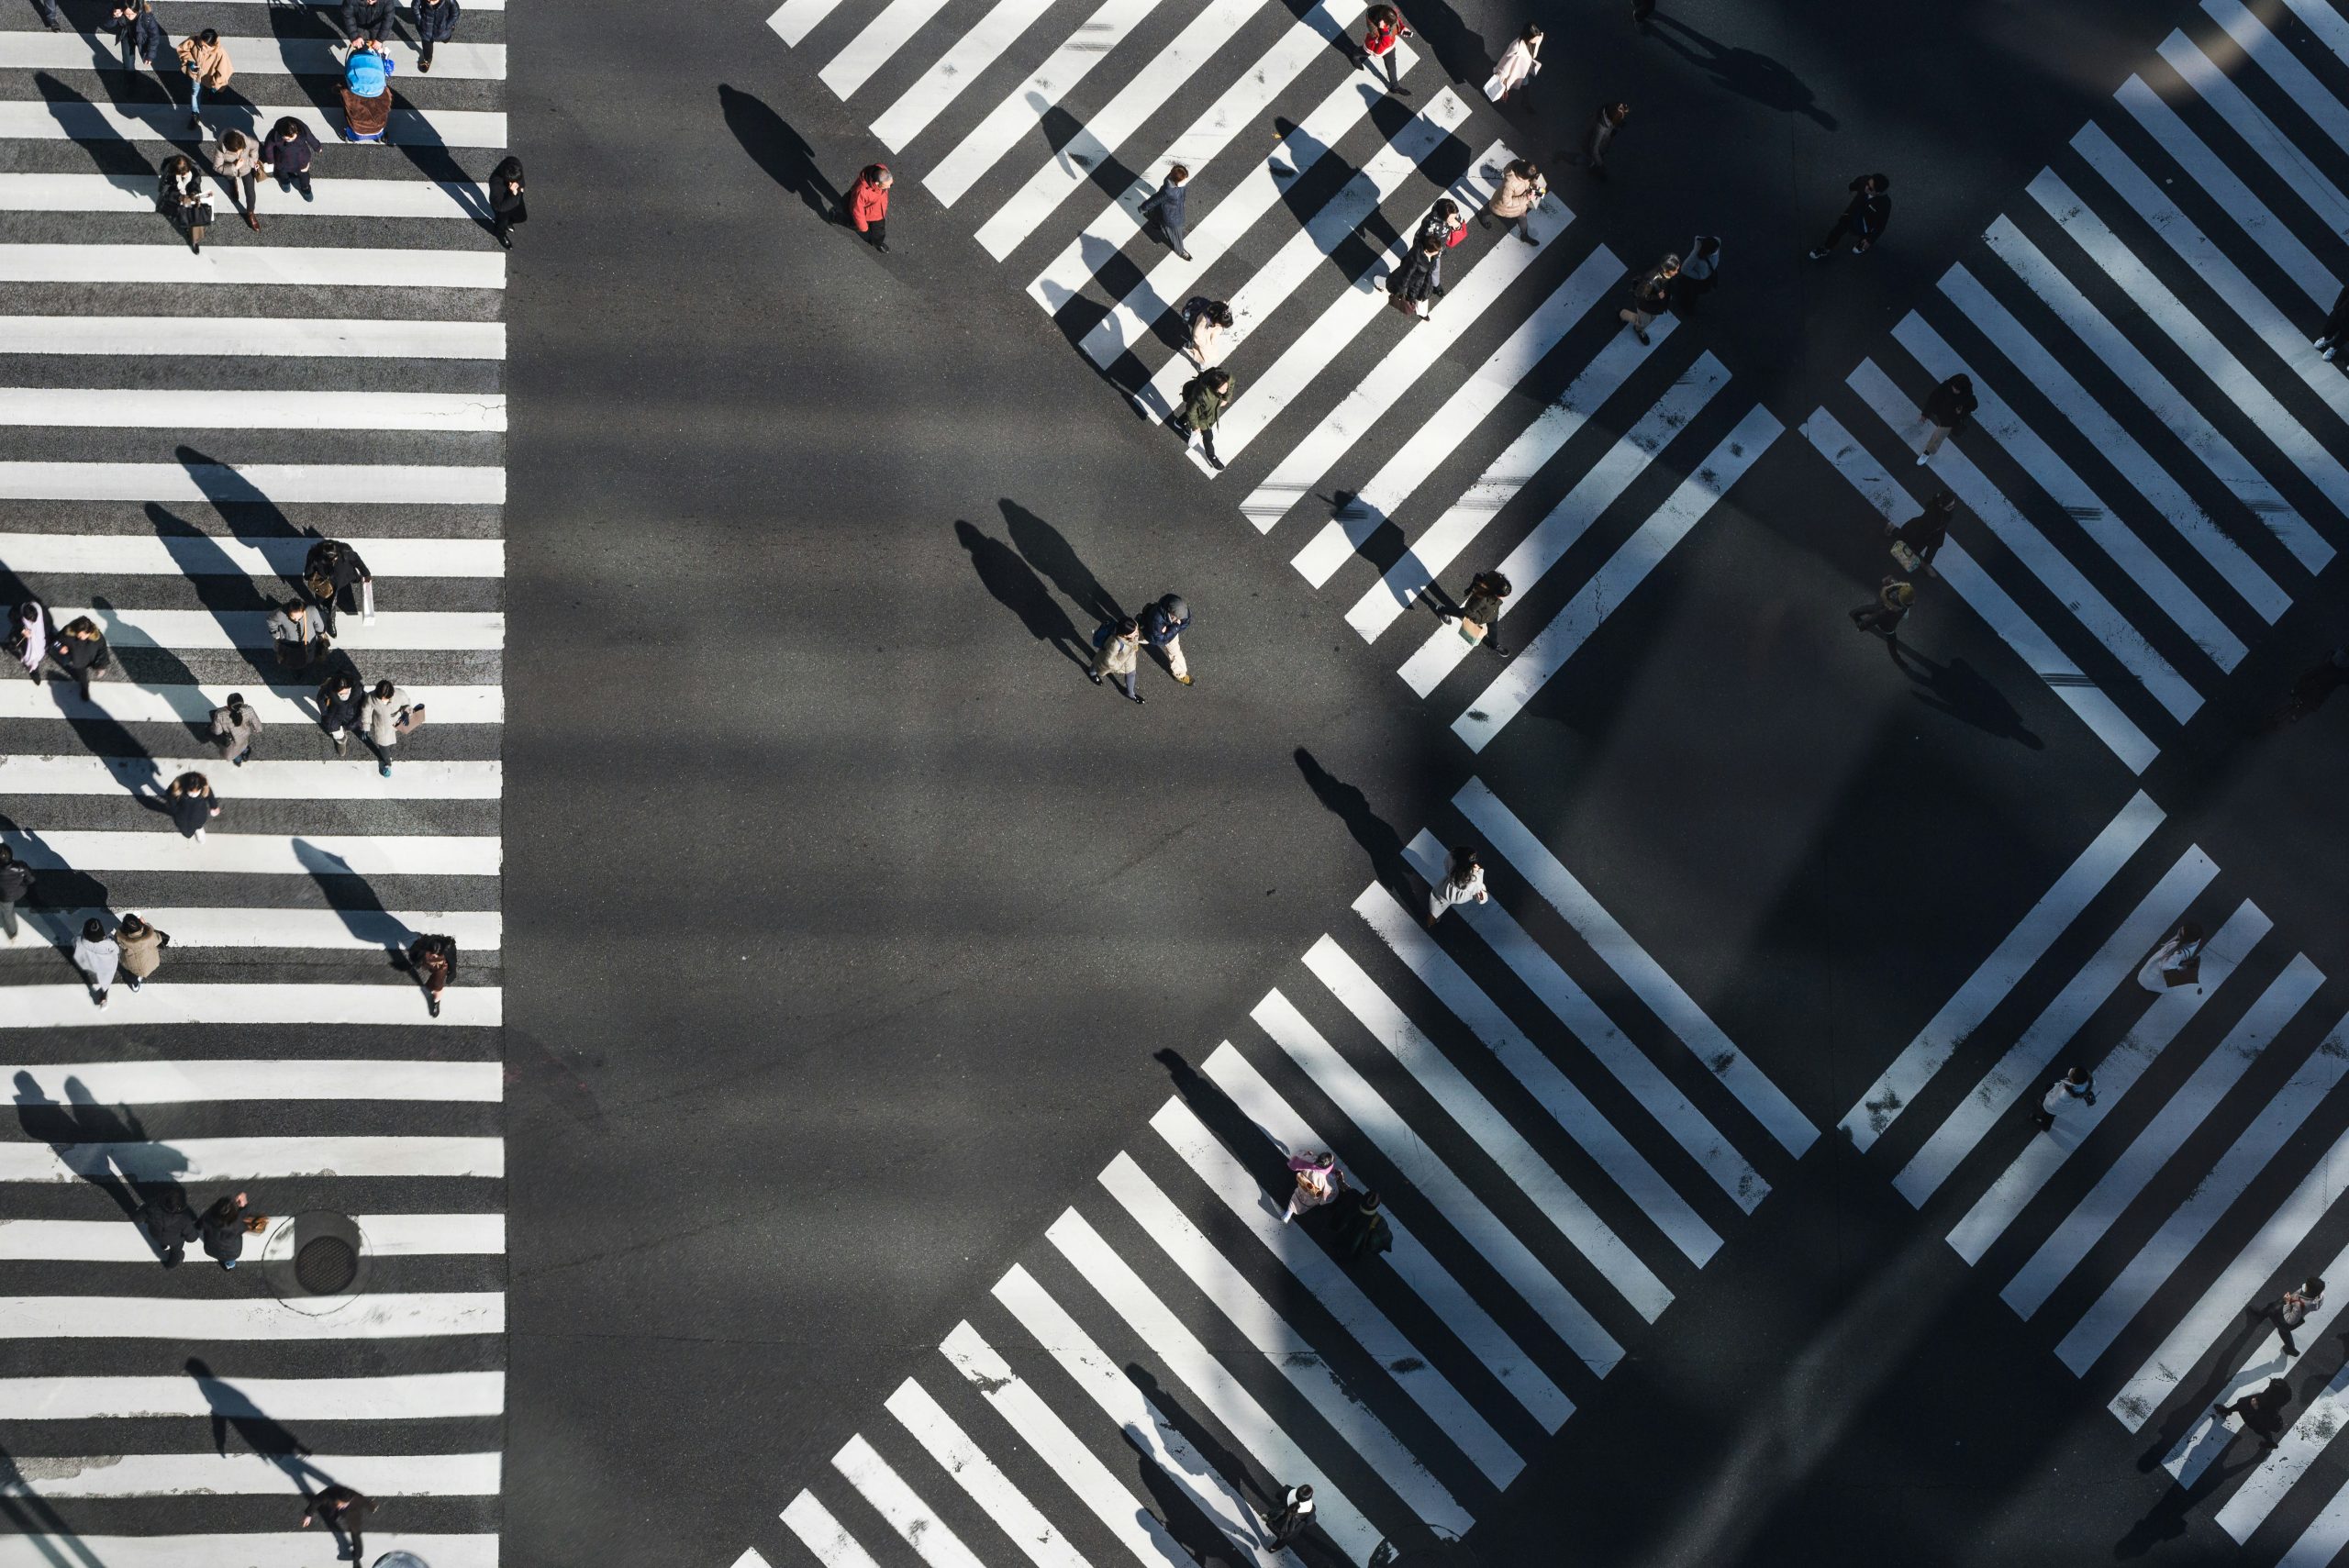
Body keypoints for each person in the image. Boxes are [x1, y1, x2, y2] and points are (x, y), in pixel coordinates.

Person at [1809, 172, 1891, 259]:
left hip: (1865, 225)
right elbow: (1858, 182)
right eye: (1867, 184)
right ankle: (1826, 248)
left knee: (1864, 237)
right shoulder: (1865, 180)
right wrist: (1852, 187)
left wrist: (1870, 240)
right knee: (1836, 231)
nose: (1866, 187)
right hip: (1851, 215)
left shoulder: (1885, 204)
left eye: (1870, 188)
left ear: (1877, 192)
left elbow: (1881, 225)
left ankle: (1863, 243)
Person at [303, 538, 373, 636]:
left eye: (335, 558)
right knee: (329, 604)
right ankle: (330, 620)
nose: (334, 560)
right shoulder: (314, 556)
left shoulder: (345, 552)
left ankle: (329, 615)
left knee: (329, 597)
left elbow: (358, 562)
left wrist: (366, 574)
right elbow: (308, 572)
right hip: (327, 584)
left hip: (345, 576)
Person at [1886, 490, 1955, 578]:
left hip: (1937, 533)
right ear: (1941, 505)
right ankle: (1892, 529)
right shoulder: (1931, 515)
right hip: (1921, 532)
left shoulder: (1945, 510)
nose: (1953, 508)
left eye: (1953, 505)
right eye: (1950, 507)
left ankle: (1926, 563)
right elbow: (1924, 529)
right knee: (1907, 541)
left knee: (1933, 548)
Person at [361, 678, 419, 778]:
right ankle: (387, 763)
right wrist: (366, 726)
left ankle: (386, 759)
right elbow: (366, 710)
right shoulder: (371, 697)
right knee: (383, 745)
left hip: (396, 721)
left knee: (389, 741)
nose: (383, 700)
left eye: (386, 698)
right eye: (381, 698)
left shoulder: (400, 694)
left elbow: (406, 705)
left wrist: (406, 712)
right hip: (381, 725)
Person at [1175, 369, 1234, 470]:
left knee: (1199, 411)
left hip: (1205, 410)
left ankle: (1180, 422)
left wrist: (1226, 398)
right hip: (1204, 418)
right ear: (1215, 387)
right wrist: (1195, 427)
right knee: (1208, 436)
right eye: (1223, 389)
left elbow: (1231, 381)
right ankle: (1211, 456)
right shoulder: (1201, 395)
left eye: (1226, 387)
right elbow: (1191, 410)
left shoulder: (1224, 378)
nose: (1226, 390)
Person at [175, 28, 233, 131]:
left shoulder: (220, 53)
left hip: (210, 77)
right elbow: (183, 50)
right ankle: (195, 114)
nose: (202, 48)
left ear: (213, 45)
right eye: (201, 45)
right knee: (195, 93)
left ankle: (211, 92)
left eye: (206, 47)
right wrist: (190, 61)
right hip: (196, 75)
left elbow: (224, 71)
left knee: (211, 88)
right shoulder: (194, 40)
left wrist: (216, 84)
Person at [2255, 1276, 2327, 1358]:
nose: (2305, 1285)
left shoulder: (2301, 1303)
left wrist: (2287, 1302)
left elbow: (2291, 1320)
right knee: (2271, 1308)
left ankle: (2291, 1349)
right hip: (2296, 1310)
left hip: (2289, 1310)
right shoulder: (2319, 1295)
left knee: (2282, 1329)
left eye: (2307, 1285)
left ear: (2310, 1290)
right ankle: (2291, 1349)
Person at [302, 1485, 379, 1560]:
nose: (341, 1506)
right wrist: (308, 1515)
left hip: (349, 1508)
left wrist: (371, 1506)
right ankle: (334, 1514)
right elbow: (316, 1501)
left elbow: (361, 1498)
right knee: (331, 1514)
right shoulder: (327, 1495)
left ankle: (357, 1554)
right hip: (332, 1504)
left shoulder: (352, 1495)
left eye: (344, 1504)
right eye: (340, 1504)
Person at [340, 40, 395, 143]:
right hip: (378, 128)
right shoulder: (383, 95)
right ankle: (379, 137)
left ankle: (351, 137)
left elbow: (343, 94)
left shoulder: (350, 97)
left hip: (358, 130)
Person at [1446, 568, 1512, 654]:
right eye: (1502, 596)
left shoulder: (1494, 578)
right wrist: (1477, 619)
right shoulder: (1483, 599)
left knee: (1493, 629)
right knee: (1462, 613)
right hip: (1482, 614)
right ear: (1495, 593)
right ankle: (1442, 610)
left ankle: (1495, 645)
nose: (1503, 598)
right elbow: (1469, 611)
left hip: (1492, 612)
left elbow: (1480, 576)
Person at [2215, 1378, 2292, 1450]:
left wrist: (2255, 1406)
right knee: (2242, 1404)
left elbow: (2264, 1413)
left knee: (2258, 1427)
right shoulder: (2286, 1393)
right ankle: (2270, 1442)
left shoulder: (2270, 1401)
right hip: (2262, 1404)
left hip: (2260, 1409)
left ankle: (2270, 1442)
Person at [1481, 159, 1545, 244]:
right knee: (1492, 208)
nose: (1530, 179)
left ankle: (1525, 236)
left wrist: (1534, 183)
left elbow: (1530, 179)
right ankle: (1482, 215)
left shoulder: (1521, 166)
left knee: (1522, 217)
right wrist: (1526, 198)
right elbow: (1507, 202)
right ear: (1522, 175)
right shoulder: (1509, 184)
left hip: (1519, 205)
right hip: (1502, 205)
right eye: (1529, 178)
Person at [46, 616, 109, 703]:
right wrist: (60, 647)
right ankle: (85, 688)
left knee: (81, 675)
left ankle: (84, 686)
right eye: (79, 634)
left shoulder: (98, 637)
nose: (80, 637)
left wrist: (100, 665)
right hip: (79, 662)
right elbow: (56, 641)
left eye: (83, 635)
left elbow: (103, 651)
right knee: (82, 678)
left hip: (91, 659)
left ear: (90, 632)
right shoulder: (68, 632)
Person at [1917, 373, 1977, 463]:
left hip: (1950, 420)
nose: (1954, 390)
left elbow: (1974, 406)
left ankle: (1927, 452)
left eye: (1957, 390)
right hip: (1940, 411)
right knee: (1938, 435)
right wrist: (1925, 414)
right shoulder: (1946, 386)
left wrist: (1961, 412)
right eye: (1954, 387)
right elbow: (1933, 398)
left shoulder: (1968, 397)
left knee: (1937, 437)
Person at [1620, 254, 1678, 346]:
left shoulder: (1667, 275)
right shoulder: (1652, 280)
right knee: (1642, 322)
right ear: (1666, 270)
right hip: (1645, 306)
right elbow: (1643, 296)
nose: (1677, 272)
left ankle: (1639, 327)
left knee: (1651, 319)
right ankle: (1624, 315)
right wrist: (1658, 297)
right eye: (1674, 270)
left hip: (1656, 306)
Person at [1137, 165, 1192, 261]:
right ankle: (1180, 251)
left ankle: (1153, 219)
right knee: (1176, 235)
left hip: (1167, 210)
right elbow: (1154, 200)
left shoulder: (1173, 180)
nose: (1186, 181)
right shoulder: (1168, 191)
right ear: (1176, 181)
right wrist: (1143, 208)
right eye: (1184, 179)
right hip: (1171, 217)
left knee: (1157, 214)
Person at [156, 154, 209, 254]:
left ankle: (194, 240)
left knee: (195, 214)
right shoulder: (169, 173)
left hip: (189, 195)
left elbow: (196, 184)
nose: (185, 174)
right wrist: (179, 197)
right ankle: (186, 226)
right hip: (176, 196)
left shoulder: (194, 170)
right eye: (182, 173)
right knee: (180, 213)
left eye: (186, 172)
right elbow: (165, 191)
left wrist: (193, 194)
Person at [134, 1189, 200, 1267]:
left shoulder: (152, 1206)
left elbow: (137, 1218)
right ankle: (170, 1265)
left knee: (162, 1237)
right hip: (174, 1240)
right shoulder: (184, 1219)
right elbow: (192, 1238)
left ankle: (163, 1245)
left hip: (155, 1233)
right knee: (176, 1252)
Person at [211, 129, 262, 232]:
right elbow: (217, 167)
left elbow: (255, 146)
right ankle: (233, 186)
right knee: (231, 180)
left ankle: (250, 213)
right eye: (236, 151)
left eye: (241, 149)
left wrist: (253, 161)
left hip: (246, 169)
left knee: (250, 193)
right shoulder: (220, 149)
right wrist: (235, 167)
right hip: (230, 171)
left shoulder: (246, 140)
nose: (239, 152)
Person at [262, 117, 321, 202]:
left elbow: (310, 136)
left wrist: (317, 147)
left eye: (292, 137)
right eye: (286, 138)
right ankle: (285, 183)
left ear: (296, 132)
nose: (290, 139)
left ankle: (306, 189)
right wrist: (270, 161)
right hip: (282, 161)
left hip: (300, 161)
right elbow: (268, 148)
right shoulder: (275, 135)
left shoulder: (302, 131)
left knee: (304, 176)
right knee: (283, 173)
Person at [1427, 847, 1488, 927]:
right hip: (1460, 897)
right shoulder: (1474, 879)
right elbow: (1477, 889)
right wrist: (1479, 870)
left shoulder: (1452, 858)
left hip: (1444, 890)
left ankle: (1430, 924)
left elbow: (1446, 864)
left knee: (1434, 910)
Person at [1088, 617, 1145, 704]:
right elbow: (1108, 660)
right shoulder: (1115, 643)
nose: (1137, 633)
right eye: (1134, 633)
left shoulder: (1132, 627)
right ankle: (1092, 673)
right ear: (1125, 635)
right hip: (1118, 659)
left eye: (1137, 630)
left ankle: (1130, 693)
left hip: (1128, 656)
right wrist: (1118, 666)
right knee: (1098, 664)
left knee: (1131, 673)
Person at [1141, 594, 1193, 687]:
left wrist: (1174, 628)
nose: (1181, 619)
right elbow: (1160, 640)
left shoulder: (1180, 609)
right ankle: (1126, 638)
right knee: (1137, 637)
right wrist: (1175, 627)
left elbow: (1187, 621)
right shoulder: (1156, 619)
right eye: (1178, 618)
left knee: (1175, 652)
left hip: (1168, 632)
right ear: (1171, 614)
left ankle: (1180, 674)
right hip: (1151, 634)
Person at [1387, 233, 1442, 320]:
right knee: (1393, 285)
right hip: (1412, 284)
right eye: (1436, 251)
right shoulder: (1417, 259)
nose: (1438, 252)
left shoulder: (1426, 252)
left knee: (1422, 298)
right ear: (1427, 250)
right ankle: (1378, 281)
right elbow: (1406, 275)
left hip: (1419, 283)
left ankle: (1422, 313)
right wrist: (1402, 292)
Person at [2136, 921, 2204, 992]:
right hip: (2172, 958)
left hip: (2158, 970)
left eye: (2181, 933)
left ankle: (2147, 985)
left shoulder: (2178, 953)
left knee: (2151, 977)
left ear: (2186, 938)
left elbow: (2167, 966)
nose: (2179, 931)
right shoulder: (2195, 940)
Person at [1356, 5, 1410, 93]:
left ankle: (1395, 86)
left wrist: (1402, 28)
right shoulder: (1372, 23)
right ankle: (1355, 55)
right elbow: (1384, 42)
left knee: (1391, 65)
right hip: (1377, 46)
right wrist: (1384, 29)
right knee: (1364, 52)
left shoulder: (1386, 12)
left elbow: (1395, 21)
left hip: (1389, 45)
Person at [200, 1191, 260, 1268]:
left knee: (217, 1250)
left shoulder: (207, 1217)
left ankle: (223, 1260)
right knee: (230, 1259)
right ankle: (229, 1265)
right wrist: (244, 1206)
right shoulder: (238, 1224)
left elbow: (198, 1225)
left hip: (210, 1250)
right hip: (232, 1253)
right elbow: (247, 1221)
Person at [1484, 24, 1542, 102]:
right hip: (1515, 72)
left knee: (1525, 84)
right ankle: (1524, 100)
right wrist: (1502, 81)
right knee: (1521, 84)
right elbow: (1505, 64)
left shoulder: (1533, 41)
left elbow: (1538, 40)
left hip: (1523, 71)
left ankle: (1525, 100)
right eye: (1535, 38)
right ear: (1529, 37)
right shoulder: (1516, 47)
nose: (1537, 39)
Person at [267, 598, 329, 672]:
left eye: (299, 617)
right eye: (293, 617)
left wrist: (277, 636)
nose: (296, 620)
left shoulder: (312, 611)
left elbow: (318, 624)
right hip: (293, 643)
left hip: (299, 643)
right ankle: (299, 667)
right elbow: (270, 620)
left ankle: (298, 667)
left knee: (295, 658)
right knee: (304, 657)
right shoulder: (280, 614)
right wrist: (277, 636)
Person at [1333, 1189, 1392, 1264]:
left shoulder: (1352, 1201)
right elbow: (1385, 1240)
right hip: (1357, 1248)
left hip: (1341, 1236)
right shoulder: (1379, 1222)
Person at [1849, 575, 1914, 640]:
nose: (1913, 602)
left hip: (1882, 603)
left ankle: (1854, 613)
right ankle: (1854, 615)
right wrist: (1861, 626)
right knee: (1887, 628)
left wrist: (1890, 581)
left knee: (1870, 608)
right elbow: (1873, 619)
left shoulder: (1901, 589)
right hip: (1885, 616)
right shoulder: (1889, 611)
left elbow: (1889, 581)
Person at [116, 914, 170, 993]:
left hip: (133, 966)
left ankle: (136, 985)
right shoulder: (150, 936)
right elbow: (159, 938)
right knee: (139, 969)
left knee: (132, 974)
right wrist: (145, 925)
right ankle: (138, 979)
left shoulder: (122, 939)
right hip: (150, 962)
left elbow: (117, 940)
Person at [1575, 102, 1631, 180]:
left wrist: (1618, 123)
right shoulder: (1600, 129)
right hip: (1590, 150)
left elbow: (1617, 112)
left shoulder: (1609, 114)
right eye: (1618, 119)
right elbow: (1593, 149)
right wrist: (1600, 165)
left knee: (1593, 161)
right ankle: (1562, 155)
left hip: (1600, 148)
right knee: (1585, 161)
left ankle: (1594, 169)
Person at [1283, 1151, 1342, 1223]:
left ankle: (1288, 1214)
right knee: (1305, 1205)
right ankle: (1292, 1213)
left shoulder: (1310, 1164)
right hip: (1313, 1196)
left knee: (1295, 1199)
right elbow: (1332, 1193)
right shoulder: (1328, 1179)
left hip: (1303, 1188)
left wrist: (1310, 1154)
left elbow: (1301, 1157)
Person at [73, 917, 119, 1007]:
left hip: (89, 964)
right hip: (105, 965)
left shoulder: (80, 940)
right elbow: (116, 950)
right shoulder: (108, 943)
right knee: (106, 981)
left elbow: (75, 943)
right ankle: (103, 997)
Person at [2033, 1065, 2095, 1131]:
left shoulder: (2064, 1095)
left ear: (2073, 1080)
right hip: (2058, 1093)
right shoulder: (2086, 1083)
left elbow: (2053, 1106)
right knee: (2049, 1086)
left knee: (2048, 1116)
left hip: (2053, 1107)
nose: (2071, 1070)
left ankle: (2045, 1126)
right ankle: (2044, 1108)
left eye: (2072, 1072)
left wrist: (2046, 1105)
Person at [408, 932, 457, 1018]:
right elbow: (413, 955)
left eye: (438, 957)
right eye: (432, 956)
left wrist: (451, 973)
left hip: (440, 966)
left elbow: (453, 962)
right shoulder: (420, 948)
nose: (435, 958)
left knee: (438, 984)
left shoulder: (448, 951)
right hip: (426, 962)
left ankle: (436, 1001)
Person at [162, 772, 221, 841]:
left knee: (199, 824)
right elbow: (170, 798)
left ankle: (199, 829)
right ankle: (191, 831)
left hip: (199, 814)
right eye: (191, 792)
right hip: (183, 816)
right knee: (186, 831)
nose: (193, 795)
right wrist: (175, 810)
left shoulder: (204, 786)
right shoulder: (177, 788)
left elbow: (211, 797)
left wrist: (214, 806)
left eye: (197, 792)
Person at [317, 672, 366, 754]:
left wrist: (360, 716)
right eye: (340, 694)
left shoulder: (358, 689)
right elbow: (320, 699)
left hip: (352, 714)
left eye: (346, 692)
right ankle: (341, 741)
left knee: (352, 725)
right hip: (334, 715)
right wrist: (325, 713)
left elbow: (364, 701)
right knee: (335, 731)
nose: (343, 696)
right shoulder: (329, 689)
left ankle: (344, 731)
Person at [850, 163, 892, 253]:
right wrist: (864, 227)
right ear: (877, 184)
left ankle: (877, 243)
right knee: (854, 224)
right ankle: (836, 217)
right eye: (887, 185)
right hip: (867, 215)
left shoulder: (882, 171)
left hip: (878, 214)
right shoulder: (861, 191)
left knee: (879, 233)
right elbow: (857, 210)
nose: (889, 187)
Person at [111, 0, 166, 69]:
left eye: (133, 14)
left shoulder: (147, 18)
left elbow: (154, 37)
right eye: (127, 14)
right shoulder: (119, 10)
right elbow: (109, 24)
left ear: (138, 10)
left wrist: (150, 56)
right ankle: (129, 75)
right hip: (127, 36)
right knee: (128, 65)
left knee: (145, 53)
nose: (130, 17)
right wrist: (114, 16)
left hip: (142, 38)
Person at [489, 154, 527, 249]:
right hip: (503, 204)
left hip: (516, 195)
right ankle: (500, 234)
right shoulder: (496, 183)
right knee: (502, 222)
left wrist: (520, 189)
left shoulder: (514, 163)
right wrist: (514, 194)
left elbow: (521, 178)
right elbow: (500, 206)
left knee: (522, 217)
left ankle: (508, 223)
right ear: (509, 182)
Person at [1181, 295, 1231, 366]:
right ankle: (1201, 360)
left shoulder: (1219, 309)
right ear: (1216, 321)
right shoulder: (1202, 323)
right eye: (1221, 325)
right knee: (1202, 350)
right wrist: (1207, 346)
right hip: (1194, 319)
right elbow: (1197, 336)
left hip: (1198, 308)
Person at [1676, 234, 1721, 313]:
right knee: (1691, 294)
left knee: (1689, 290)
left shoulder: (1717, 241)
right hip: (1695, 280)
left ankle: (1681, 289)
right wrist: (1699, 276)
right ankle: (1686, 307)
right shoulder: (1695, 256)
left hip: (1707, 274)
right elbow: (1684, 269)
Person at [413, 0, 461, 72]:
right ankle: (427, 60)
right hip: (426, 28)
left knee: (446, 39)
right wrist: (420, 20)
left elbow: (455, 13)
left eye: (433, 0)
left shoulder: (449, 1)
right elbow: (415, 7)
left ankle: (449, 34)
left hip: (442, 29)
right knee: (426, 46)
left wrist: (448, 25)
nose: (430, 3)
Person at [7, 599, 48, 684]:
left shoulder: (37, 608)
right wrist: (22, 630)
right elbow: (11, 617)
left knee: (36, 650)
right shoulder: (17, 611)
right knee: (27, 652)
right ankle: (33, 670)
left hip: (37, 635)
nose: (32, 622)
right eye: (30, 620)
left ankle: (34, 669)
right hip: (23, 637)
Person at [1264, 1484, 1316, 1548]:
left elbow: (1277, 1496)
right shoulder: (1310, 1509)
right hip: (1287, 1530)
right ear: (1308, 1499)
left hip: (1275, 1518)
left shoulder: (1287, 1490)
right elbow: (1310, 1522)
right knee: (1286, 1538)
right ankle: (1273, 1548)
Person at [0, 845, 33, 943]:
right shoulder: (20, 867)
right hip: (13, 894)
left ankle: (13, 933)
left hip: (4, 896)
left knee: (7, 914)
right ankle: (13, 934)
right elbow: (30, 879)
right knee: (8, 914)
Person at [2317, 284, 2349, 362]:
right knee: (2330, 326)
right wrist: (2337, 307)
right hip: (2342, 311)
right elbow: (2345, 291)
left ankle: (2334, 348)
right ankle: (2326, 338)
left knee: (2345, 335)